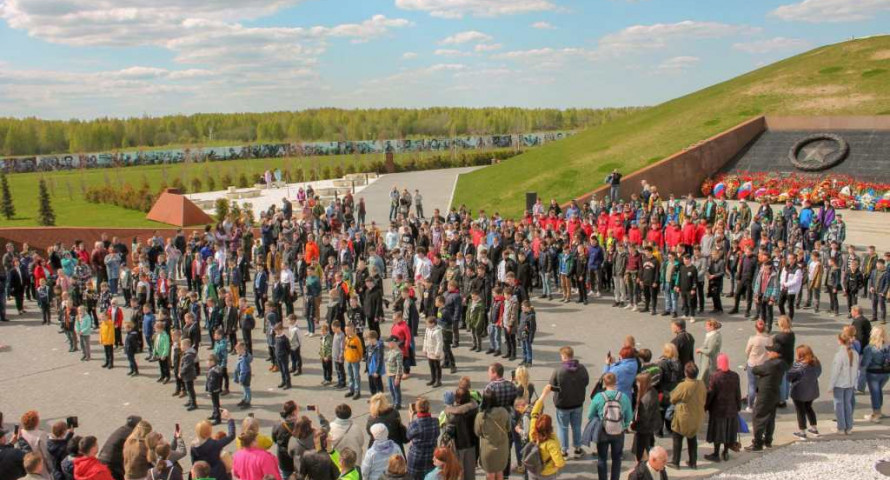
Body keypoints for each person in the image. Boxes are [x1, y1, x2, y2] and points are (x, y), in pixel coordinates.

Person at [588, 373, 632, 480]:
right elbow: (629, 416)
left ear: (604, 382)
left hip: (603, 431)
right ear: (616, 382)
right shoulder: (623, 397)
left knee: (602, 458)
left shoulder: (599, 397)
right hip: (618, 431)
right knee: (617, 459)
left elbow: (590, 415)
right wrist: (624, 426)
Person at [548, 346, 589, 456]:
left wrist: (560, 390)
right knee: (576, 426)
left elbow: (551, 386)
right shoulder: (582, 368)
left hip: (563, 404)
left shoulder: (558, 370)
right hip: (578, 402)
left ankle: (564, 451)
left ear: (564, 356)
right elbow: (586, 382)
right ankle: (578, 449)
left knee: (563, 427)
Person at [746, 345, 786, 451]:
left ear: (776, 353)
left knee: (758, 417)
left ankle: (757, 443)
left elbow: (755, 370)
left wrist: (758, 363)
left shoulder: (770, 365)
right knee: (770, 418)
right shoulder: (781, 363)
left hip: (765, 395)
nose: (768, 353)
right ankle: (768, 440)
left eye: (770, 351)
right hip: (774, 394)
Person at [704, 353, 741, 462]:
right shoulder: (735, 376)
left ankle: (716, 454)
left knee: (718, 432)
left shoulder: (715, 377)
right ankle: (725, 452)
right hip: (732, 409)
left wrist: (706, 406)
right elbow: (737, 393)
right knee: (728, 432)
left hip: (718, 410)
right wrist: (738, 406)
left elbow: (711, 394)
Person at [669, 362, 706, 470]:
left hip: (684, 416)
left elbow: (673, 399)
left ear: (686, 373)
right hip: (697, 416)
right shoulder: (701, 384)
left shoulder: (683, 386)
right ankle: (693, 462)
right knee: (692, 439)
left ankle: (675, 462)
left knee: (677, 438)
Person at [442, 387, 478, 480]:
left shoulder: (453, 415)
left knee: (459, 473)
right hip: (472, 444)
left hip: (459, 447)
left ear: (458, 399)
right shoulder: (475, 409)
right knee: (470, 473)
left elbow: (447, 435)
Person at [474, 390, 510, 480]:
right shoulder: (504, 411)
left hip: (488, 449)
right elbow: (508, 428)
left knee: (490, 474)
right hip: (502, 448)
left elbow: (477, 432)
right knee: (500, 471)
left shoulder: (481, 416)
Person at [787, 344, 822, 439]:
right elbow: (818, 373)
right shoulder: (816, 362)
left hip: (799, 391)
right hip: (812, 390)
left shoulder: (799, 365)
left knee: (800, 411)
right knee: (809, 408)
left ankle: (802, 432)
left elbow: (789, 377)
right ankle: (814, 428)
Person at [828, 332, 859, 434]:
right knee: (848, 405)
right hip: (850, 383)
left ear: (840, 341)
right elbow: (856, 370)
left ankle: (841, 427)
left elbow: (835, 372)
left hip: (840, 384)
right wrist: (855, 383)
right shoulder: (855, 353)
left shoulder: (839, 355)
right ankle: (849, 427)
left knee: (839, 405)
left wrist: (831, 386)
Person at [189, 413, 236, 480]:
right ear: (209, 431)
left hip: (202, 474)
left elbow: (194, 462)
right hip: (218, 473)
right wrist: (230, 419)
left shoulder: (193, 446)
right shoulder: (214, 444)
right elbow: (231, 435)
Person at [406, 397, 439, 480]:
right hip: (431, 456)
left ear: (417, 409)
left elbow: (408, 436)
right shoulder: (435, 421)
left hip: (416, 458)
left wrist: (410, 418)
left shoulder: (414, 424)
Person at [632, 372, 661, 463]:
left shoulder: (646, 399)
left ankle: (642, 464)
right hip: (651, 425)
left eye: (638, 382)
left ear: (643, 383)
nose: (636, 384)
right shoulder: (652, 391)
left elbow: (644, 418)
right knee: (646, 444)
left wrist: (633, 425)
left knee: (641, 449)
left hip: (644, 428)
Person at [862, 326, 888, 422]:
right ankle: (879, 411)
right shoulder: (887, 346)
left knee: (875, 393)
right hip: (886, 372)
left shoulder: (870, 348)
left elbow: (865, 362)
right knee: (879, 391)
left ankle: (876, 414)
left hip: (873, 373)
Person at [695, 319, 722, 384]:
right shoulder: (714, 334)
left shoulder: (713, 337)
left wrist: (700, 350)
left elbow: (710, 351)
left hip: (709, 361)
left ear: (712, 327)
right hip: (709, 360)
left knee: (706, 377)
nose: (705, 327)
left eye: (707, 326)